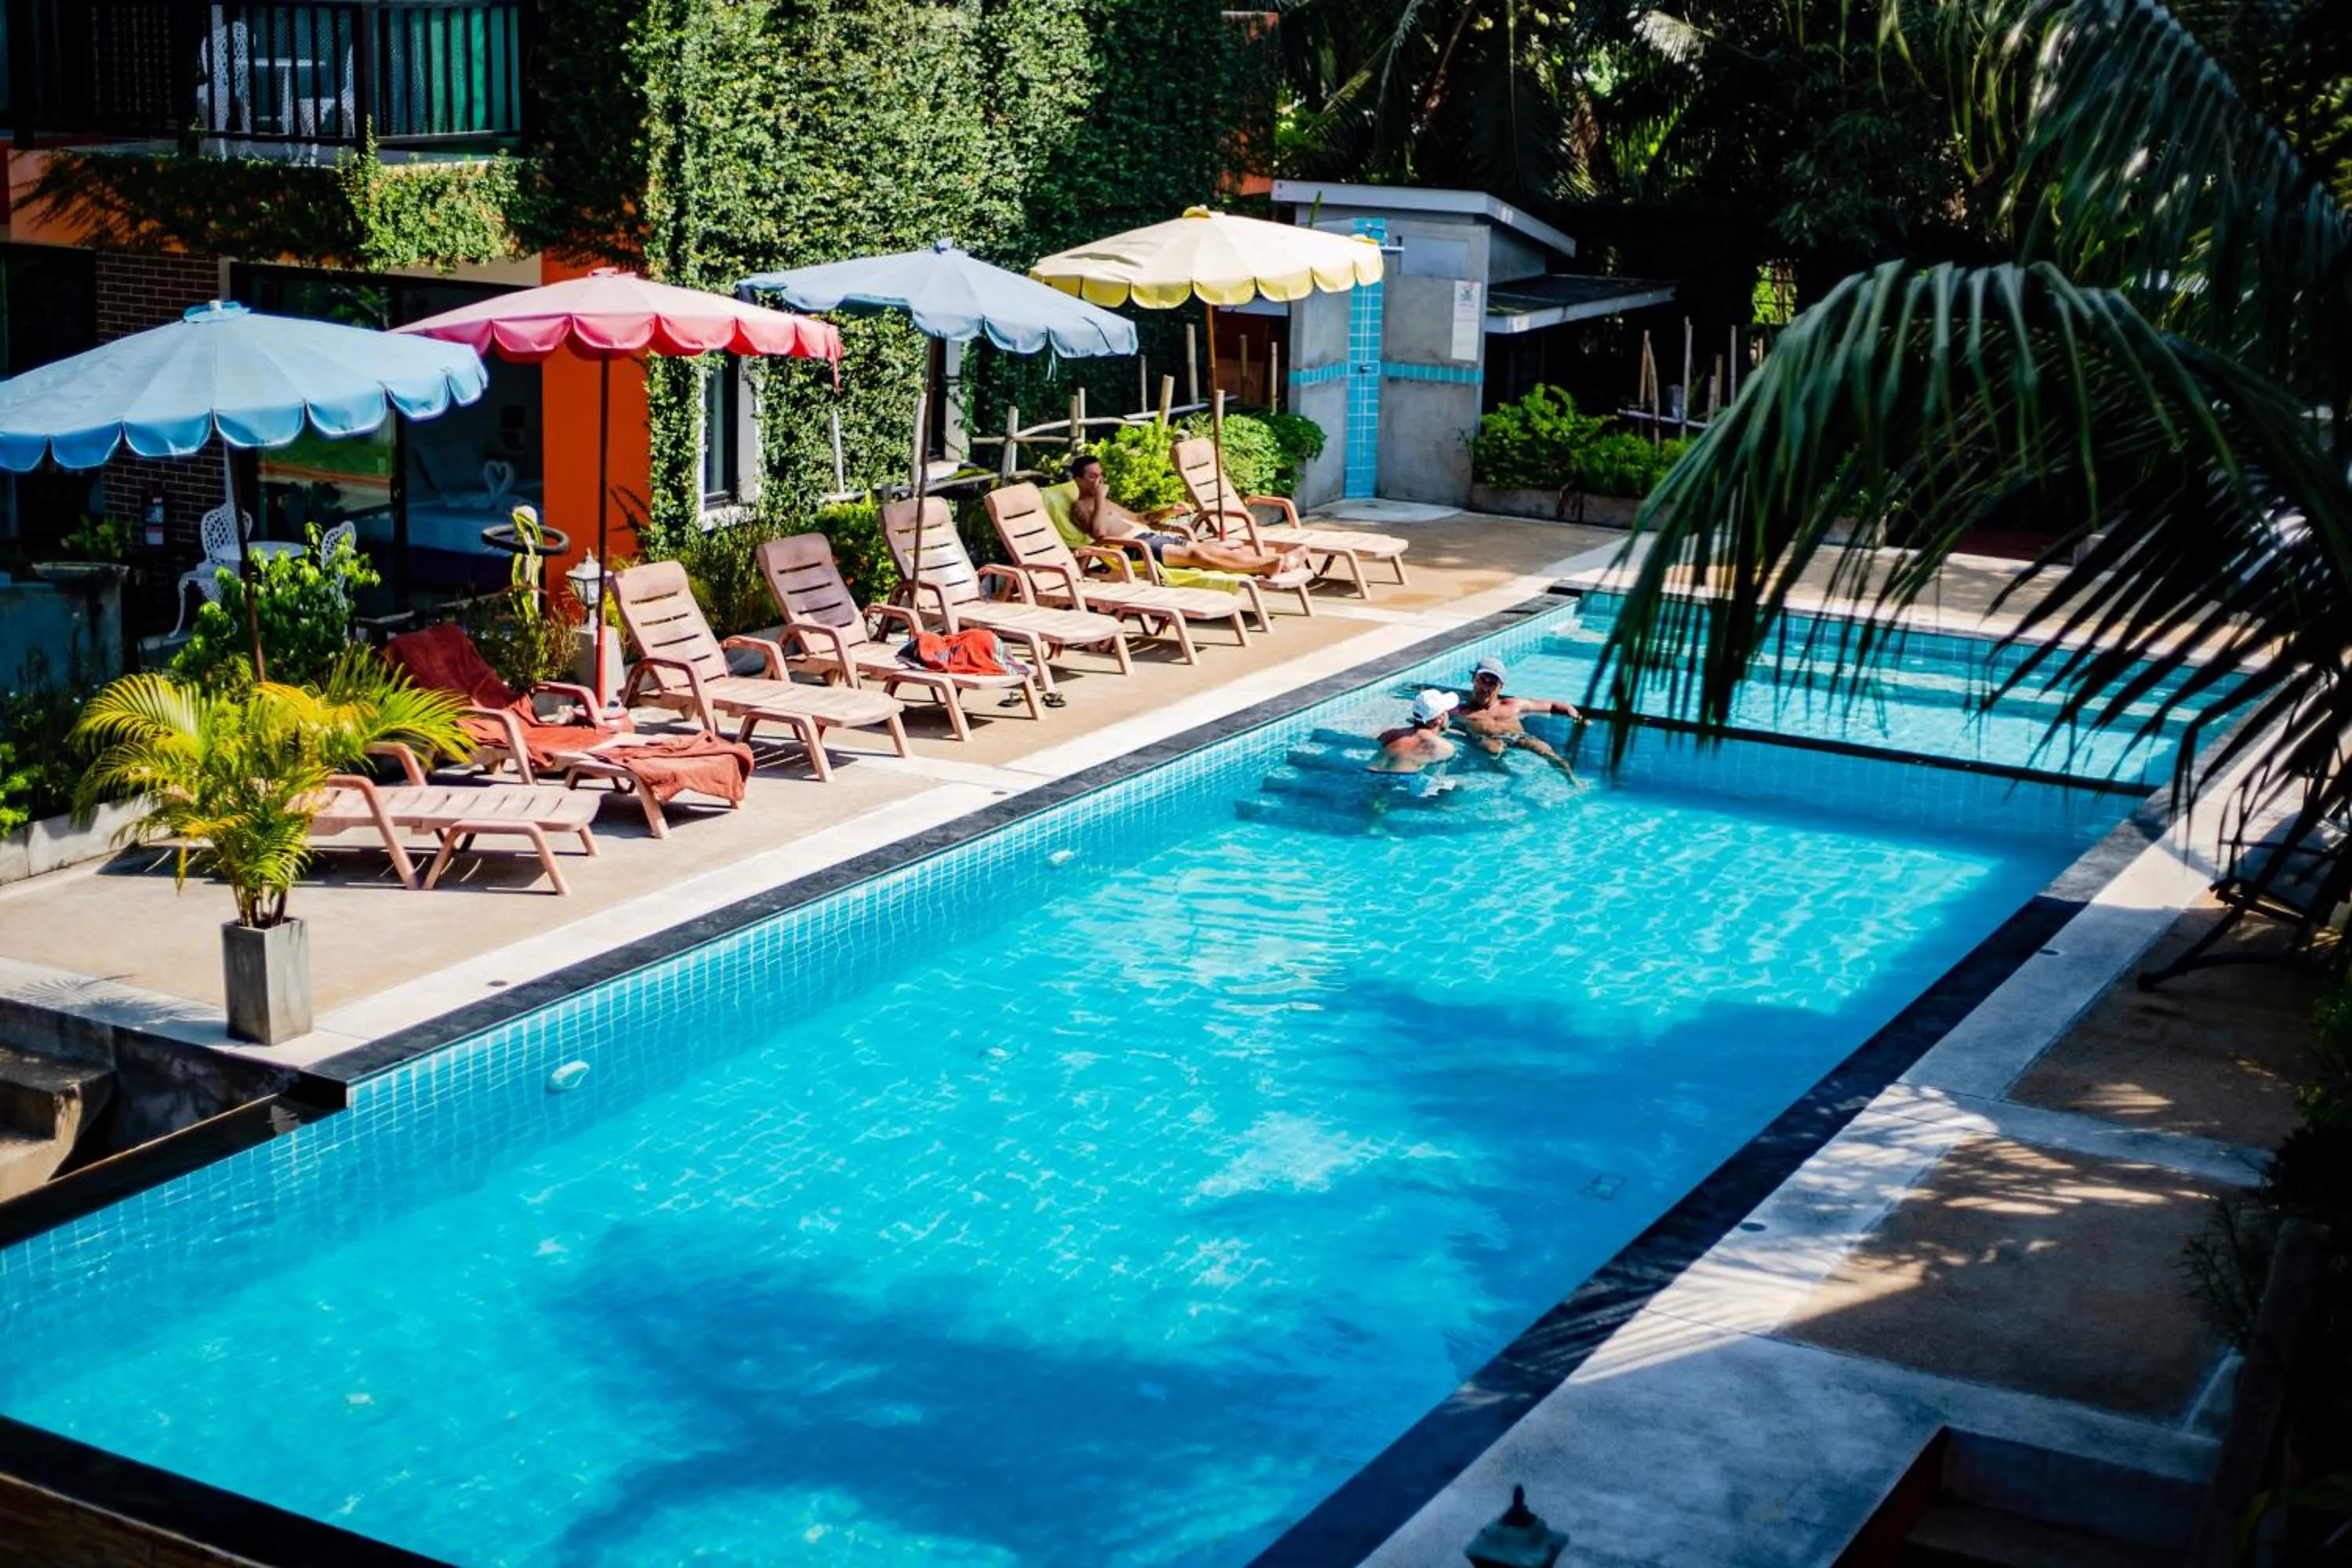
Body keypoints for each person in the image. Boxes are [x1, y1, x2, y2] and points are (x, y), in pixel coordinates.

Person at [1068, 453, 1309, 578]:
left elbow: (1139, 519)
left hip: (1149, 538)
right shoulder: (1080, 507)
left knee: (1216, 550)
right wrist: (1099, 498)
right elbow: (1099, 533)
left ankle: (1275, 560)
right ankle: (1267, 566)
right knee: (1197, 555)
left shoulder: (1107, 502)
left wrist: (1167, 512)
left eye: (1101, 475)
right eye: (1093, 477)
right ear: (1078, 479)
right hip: (1135, 549)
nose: (1100, 480)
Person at [1453, 655, 1584, 782]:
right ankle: (1508, 777)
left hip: (1519, 737)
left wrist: (1575, 716)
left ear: (1501, 686)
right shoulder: (1461, 711)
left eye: (1492, 683)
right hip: (1487, 739)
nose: (1486, 687)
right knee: (1492, 749)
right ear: (1473, 679)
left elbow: (1553, 705)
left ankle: (1573, 780)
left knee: (1548, 752)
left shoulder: (1512, 705)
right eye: (1482, 679)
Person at [1369, 689, 1461, 784]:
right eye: (1446, 712)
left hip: (1368, 774)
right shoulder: (1442, 747)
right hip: (1399, 783)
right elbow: (1436, 781)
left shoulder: (1389, 734)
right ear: (1440, 718)